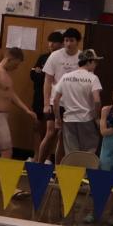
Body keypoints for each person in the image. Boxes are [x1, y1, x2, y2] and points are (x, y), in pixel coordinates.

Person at [35, 30, 84, 161]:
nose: (68, 44)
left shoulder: (82, 57)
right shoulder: (55, 56)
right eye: (66, 40)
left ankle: (58, 171)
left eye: (71, 41)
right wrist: (46, 104)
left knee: (63, 137)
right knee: (51, 133)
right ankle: (38, 165)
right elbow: (48, 80)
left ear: (77, 42)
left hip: (72, 104)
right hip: (55, 101)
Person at [50, 49, 103, 174]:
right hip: (87, 120)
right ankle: (85, 180)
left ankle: (72, 182)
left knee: (72, 154)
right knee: (88, 152)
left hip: (69, 120)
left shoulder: (65, 77)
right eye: (95, 62)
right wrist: (97, 117)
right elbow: (97, 100)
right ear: (89, 62)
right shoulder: (93, 78)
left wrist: (57, 119)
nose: (96, 65)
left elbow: (56, 100)